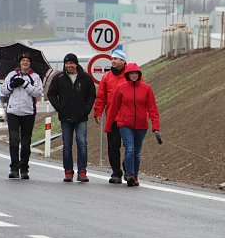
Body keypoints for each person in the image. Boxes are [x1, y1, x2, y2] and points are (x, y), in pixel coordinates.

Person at [104, 62, 160, 187]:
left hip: (141, 125)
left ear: (139, 74)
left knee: (137, 152)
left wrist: (155, 127)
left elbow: (153, 109)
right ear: (127, 75)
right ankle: (129, 174)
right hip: (124, 124)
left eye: (136, 73)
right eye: (131, 73)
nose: (133, 75)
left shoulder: (146, 89)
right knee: (129, 148)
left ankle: (135, 175)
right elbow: (113, 108)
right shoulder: (121, 88)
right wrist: (108, 126)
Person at [47, 53, 96, 182]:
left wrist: (86, 109)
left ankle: (82, 172)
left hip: (81, 117)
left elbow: (92, 95)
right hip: (65, 117)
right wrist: (59, 107)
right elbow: (51, 94)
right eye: (66, 63)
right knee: (67, 145)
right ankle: (68, 171)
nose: (69, 65)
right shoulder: (59, 78)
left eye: (71, 63)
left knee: (82, 144)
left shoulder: (85, 78)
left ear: (76, 64)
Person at [0, 52, 43, 180]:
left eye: (27, 61)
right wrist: (12, 85)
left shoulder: (35, 77)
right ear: (20, 62)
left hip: (28, 112)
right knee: (14, 140)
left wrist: (25, 84)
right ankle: (14, 168)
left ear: (30, 63)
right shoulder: (12, 75)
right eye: (23, 60)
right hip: (12, 112)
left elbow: (38, 93)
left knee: (25, 142)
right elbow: (3, 90)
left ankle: (24, 169)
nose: (25, 63)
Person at [93, 49, 128, 184]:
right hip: (112, 118)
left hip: (127, 118)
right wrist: (98, 112)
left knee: (129, 146)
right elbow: (101, 97)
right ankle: (116, 173)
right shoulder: (107, 77)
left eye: (116, 59)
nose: (113, 61)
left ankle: (128, 169)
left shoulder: (130, 75)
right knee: (113, 146)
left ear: (123, 61)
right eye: (112, 58)